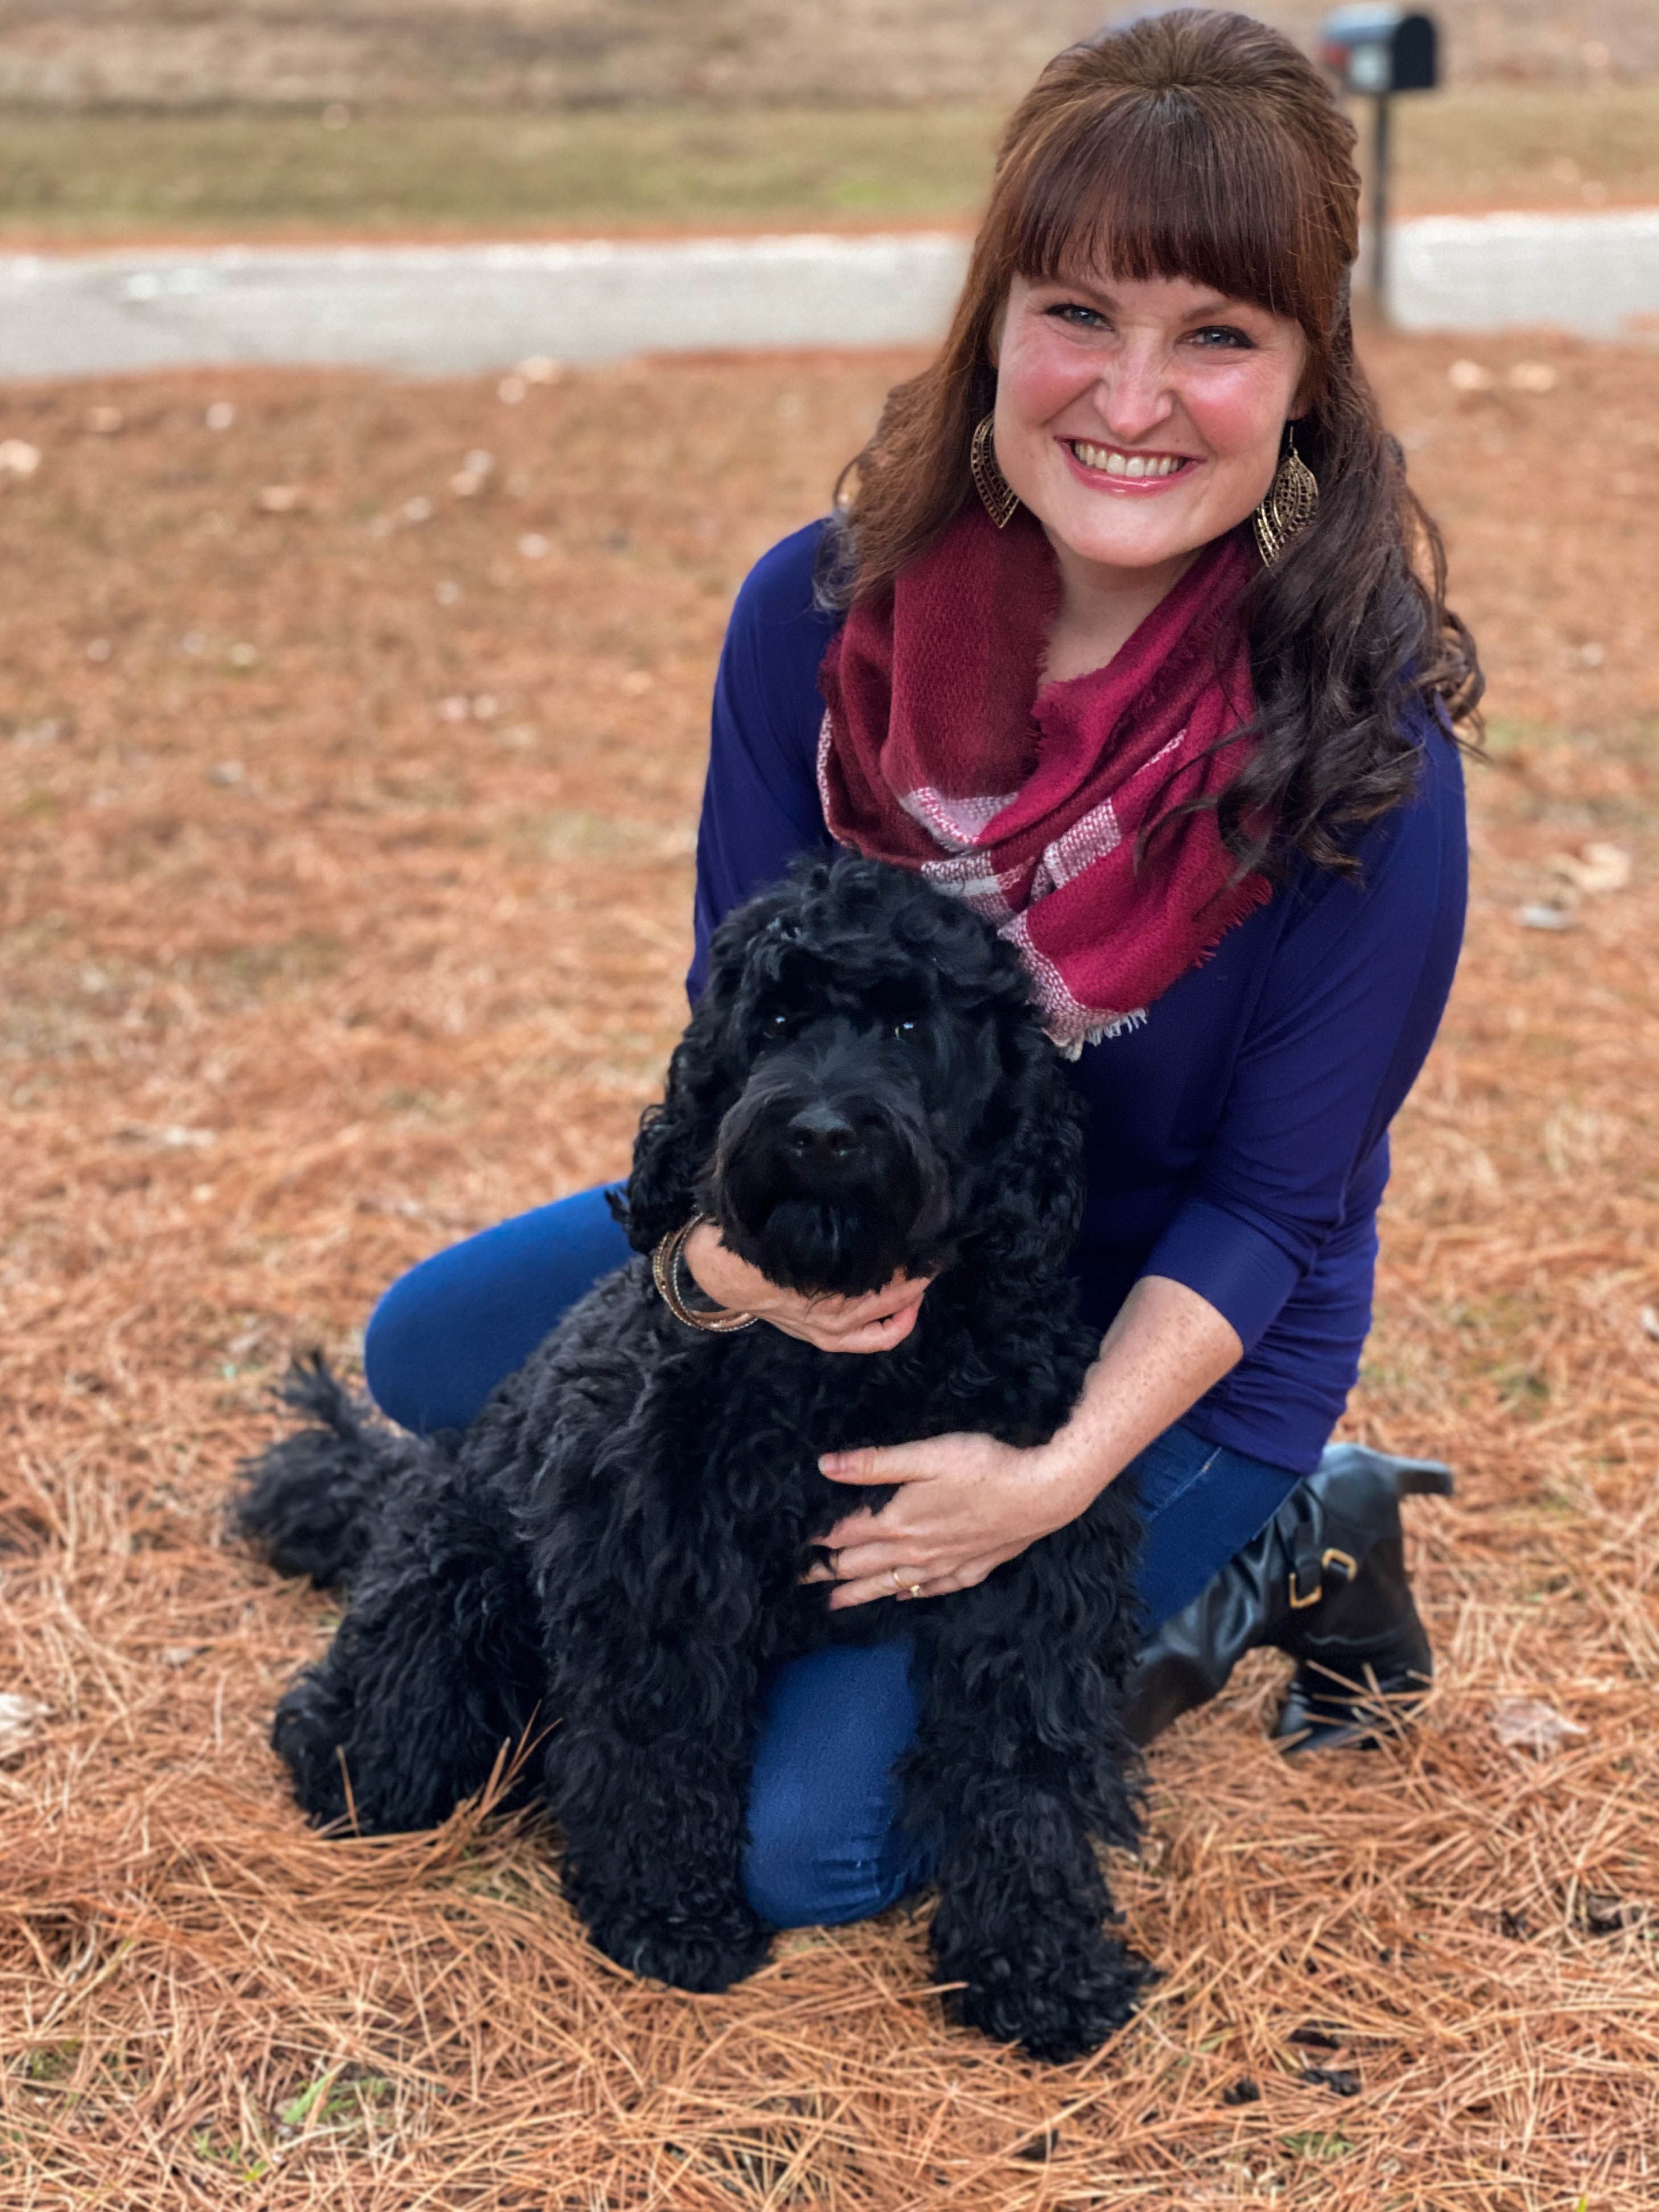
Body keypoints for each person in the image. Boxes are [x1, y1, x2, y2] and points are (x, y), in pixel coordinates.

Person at [363, 10, 1478, 1931]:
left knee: (816, 1852)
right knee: (429, 1358)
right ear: (993, 327)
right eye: (1078, 314)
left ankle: (1275, 1542)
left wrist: (1048, 1481)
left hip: (1162, 1317)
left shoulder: (1355, 743)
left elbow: (1272, 1209)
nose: (1130, 398)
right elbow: (740, 1022)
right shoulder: (810, 619)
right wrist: (711, 1277)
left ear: (1307, 380)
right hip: (856, 1231)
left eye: (1215, 335)